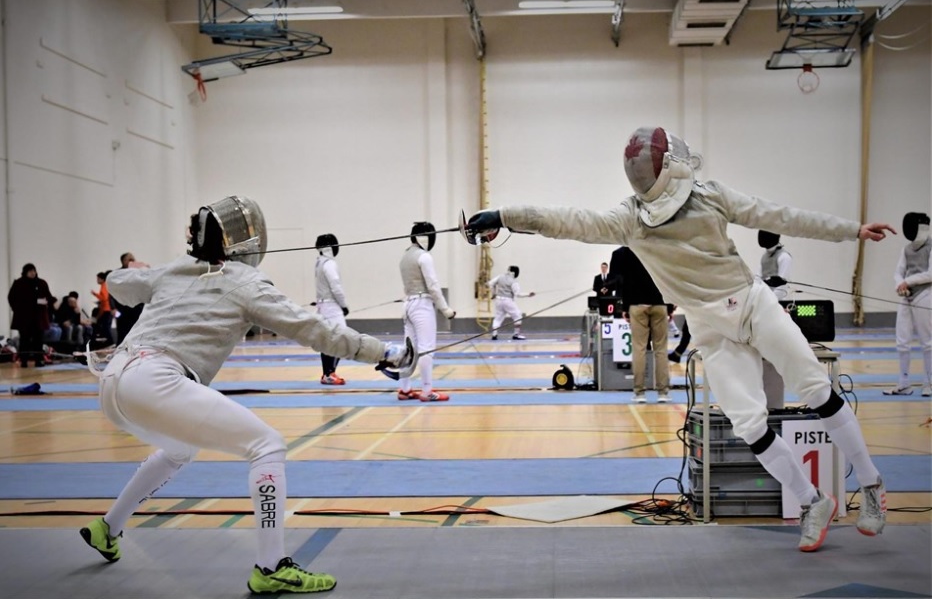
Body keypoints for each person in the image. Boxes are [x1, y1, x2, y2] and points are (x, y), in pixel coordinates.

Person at [465, 125, 894, 552]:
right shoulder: (631, 219)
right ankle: (811, 501)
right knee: (749, 424)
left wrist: (851, 229)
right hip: (710, 328)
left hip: (752, 304)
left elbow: (777, 215)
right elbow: (568, 221)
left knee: (816, 387)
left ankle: (872, 485)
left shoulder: (710, 195)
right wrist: (506, 216)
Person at [78, 195, 415, 594]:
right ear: (239, 242)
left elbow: (117, 283)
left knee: (179, 450)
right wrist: (384, 352)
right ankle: (271, 567)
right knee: (267, 445)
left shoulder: (174, 271)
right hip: (155, 380)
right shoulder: (246, 282)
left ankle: (107, 528)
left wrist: (146, 271)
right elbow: (313, 329)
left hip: (113, 380)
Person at [397, 221, 456, 402]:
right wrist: (445, 309)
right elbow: (433, 286)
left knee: (409, 350)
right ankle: (427, 391)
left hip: (407, 306)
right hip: (421, 306)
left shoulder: (405, 256)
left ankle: (405, 389)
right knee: (426, 350)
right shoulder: (424, 256)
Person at [883, 212, 931, 397]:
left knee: (928, 343)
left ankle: (929, 383)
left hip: (926, 294)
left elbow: (930, 274)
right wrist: (899, 285)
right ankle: (904, 384)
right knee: (902, 341)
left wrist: (907, 282)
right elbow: (898, 272)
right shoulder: (907, 249)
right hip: (907, 296)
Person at [616, 246, 671, 403]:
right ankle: (663, 392)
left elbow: (623, 280)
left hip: (636, 303)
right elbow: (668, 276)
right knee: (661, 349)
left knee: (639, 348)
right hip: (660, 302)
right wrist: (671, 305)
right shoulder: (661, 248)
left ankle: (639, 392)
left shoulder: (627, 251)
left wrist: (625, 307)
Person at [314, 233, 350, 385]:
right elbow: (336, 287)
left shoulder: (319, 263)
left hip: (323, 305)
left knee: (329, 339)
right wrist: (344, 305)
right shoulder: (329, 264)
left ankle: (327, 373)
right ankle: (329, 373)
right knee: (341, 339)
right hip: (331, 306)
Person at [7, 263, 54, 367]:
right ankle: (23, 360)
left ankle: (39, 360)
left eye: (34, 271)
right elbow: (11, 298)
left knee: (38, 340)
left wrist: (47, 301)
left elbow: (49, 296)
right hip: (24, 318)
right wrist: (17, 309)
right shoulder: (18, 283)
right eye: (30, 271)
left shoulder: (41, 283)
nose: (33, 273)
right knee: (24, 340)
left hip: (38, 318)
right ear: (25, 272)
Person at [488, 265, 536, 340]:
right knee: (518, 316)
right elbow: (518, 294)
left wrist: (493, 293)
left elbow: (491, 283)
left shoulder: (500, 277)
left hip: (498, 300)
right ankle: (516, 334)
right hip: (508, 301)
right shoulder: (513, 281)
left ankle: (494, 335)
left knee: (498, 318)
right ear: (515, 272)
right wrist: (529, 294)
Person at [112, 252, 145, 344]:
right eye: (129, 260)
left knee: (137, 331)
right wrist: (113, 308)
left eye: (133, 260)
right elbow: (111, 293)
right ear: (123, 261)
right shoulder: (117, 274)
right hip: (122, 308)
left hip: (136, 308)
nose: (132, 261)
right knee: (122, 332)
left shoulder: (139, 272)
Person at [758, 231, 793, 300]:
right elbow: (758, 279)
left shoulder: (784, 257)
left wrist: (768, 301)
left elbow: (782, 288)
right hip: (764, 301)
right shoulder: (764, 256)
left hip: (778, 303)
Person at [91, 271, 114, 347]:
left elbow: (104, 298)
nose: (97, 280)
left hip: (106, 309)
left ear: (102, 279)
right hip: (106, 309)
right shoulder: (104, 286)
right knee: (105, 327)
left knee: (105, 327)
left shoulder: (104, 286)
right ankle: (109, 342)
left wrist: (95, 294)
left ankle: (110, 342)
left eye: (98, 278)